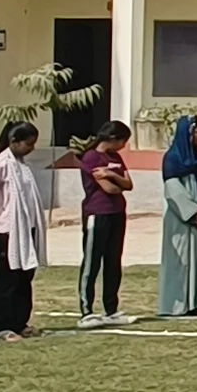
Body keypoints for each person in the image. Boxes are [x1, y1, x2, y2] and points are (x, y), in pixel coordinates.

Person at [0, 115, 49, 341]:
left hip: (25, 228)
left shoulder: (22, 165)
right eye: (28, 143)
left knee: (23, 277)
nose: (31, 148)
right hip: (5, 230)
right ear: (14, 140)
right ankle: (0, 326)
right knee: (5, 279)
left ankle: (19, 322)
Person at [156, 113, 197, 316]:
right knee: (181, 261)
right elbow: (172, 190)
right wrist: (192, 214)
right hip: (180, 220)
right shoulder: (172, 158)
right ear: (187, 134)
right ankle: (177, 305)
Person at [75, 121, 134, 324]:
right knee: (92, 262)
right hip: (98, 213)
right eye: (123, 141)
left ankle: (111, 309)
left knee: (113, 261)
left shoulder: (115, 158)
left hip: (117, 212)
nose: (123, 146)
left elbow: (128, 184)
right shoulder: (92, 157)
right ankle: (86, 310)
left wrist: (110, 174)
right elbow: (110, 189)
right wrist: (117, 182)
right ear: (113, 139)